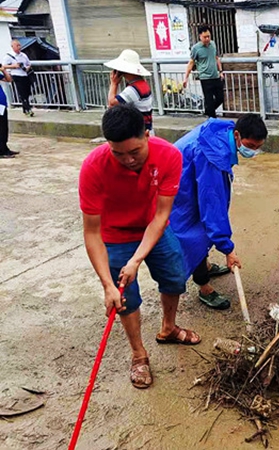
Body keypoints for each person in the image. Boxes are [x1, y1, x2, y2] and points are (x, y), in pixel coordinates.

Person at [79, 104, 200, 390]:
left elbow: (161, 216)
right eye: (118, 153)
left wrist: (137, 259)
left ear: (147, 134)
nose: (127, 160)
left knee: (174, 277)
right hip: (114, 234)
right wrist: (107, 284)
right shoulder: (94, 167)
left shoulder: (169, 155)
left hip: (153, 228)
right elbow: (92, 233)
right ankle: (138, 354)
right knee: (125, 299)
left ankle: (168, 328)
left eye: (134, 152)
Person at [170, 114, 268, 309]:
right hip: (178, 190)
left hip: (185, 177)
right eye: (251, 145)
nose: (252, 151)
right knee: (195, 234)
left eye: (258, 147)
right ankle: (204, 286)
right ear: (238, 135)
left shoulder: (223, 134)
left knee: (203, 225)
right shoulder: (213, 155)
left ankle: (205, 266)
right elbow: (212, 206)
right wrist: (227, 249)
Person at [105, 49, 154, 136]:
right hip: (146, 129)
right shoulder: (142, 84)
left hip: (139, 133)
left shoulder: (133, 89)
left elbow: (112, 104)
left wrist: (114, 84)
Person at [183, 26, 224, 118]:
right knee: (209, 100)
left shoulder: (213, 44)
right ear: (200, 36)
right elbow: (191, 63)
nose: (207, 39)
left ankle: (208, 111)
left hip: (215, 76)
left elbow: (216, 58)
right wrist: (186, 78)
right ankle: (212, 119)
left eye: (209, 36)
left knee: (220, 98)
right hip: (205, 78)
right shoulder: (196, 48)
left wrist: (221, 71)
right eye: (205, 37)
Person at [3, 40, 33, 117]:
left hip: (25, 75)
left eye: (19, 45)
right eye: (17, 45)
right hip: (16, 75)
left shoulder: (23, 55)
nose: (19, 47)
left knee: (27, 92)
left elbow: (29, 64)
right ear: (12, 46)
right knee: (22, 93)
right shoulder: (8, 56)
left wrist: (26, 68)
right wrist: (14, 66)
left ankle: (25, 108)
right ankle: (28, 109)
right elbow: (3, 66)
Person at [0, 62, 17, 158]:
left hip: (2, 104)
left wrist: (4, 70)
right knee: (1, 127)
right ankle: (1, 151)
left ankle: (4, 148)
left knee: (4, 127)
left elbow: (9, 79)